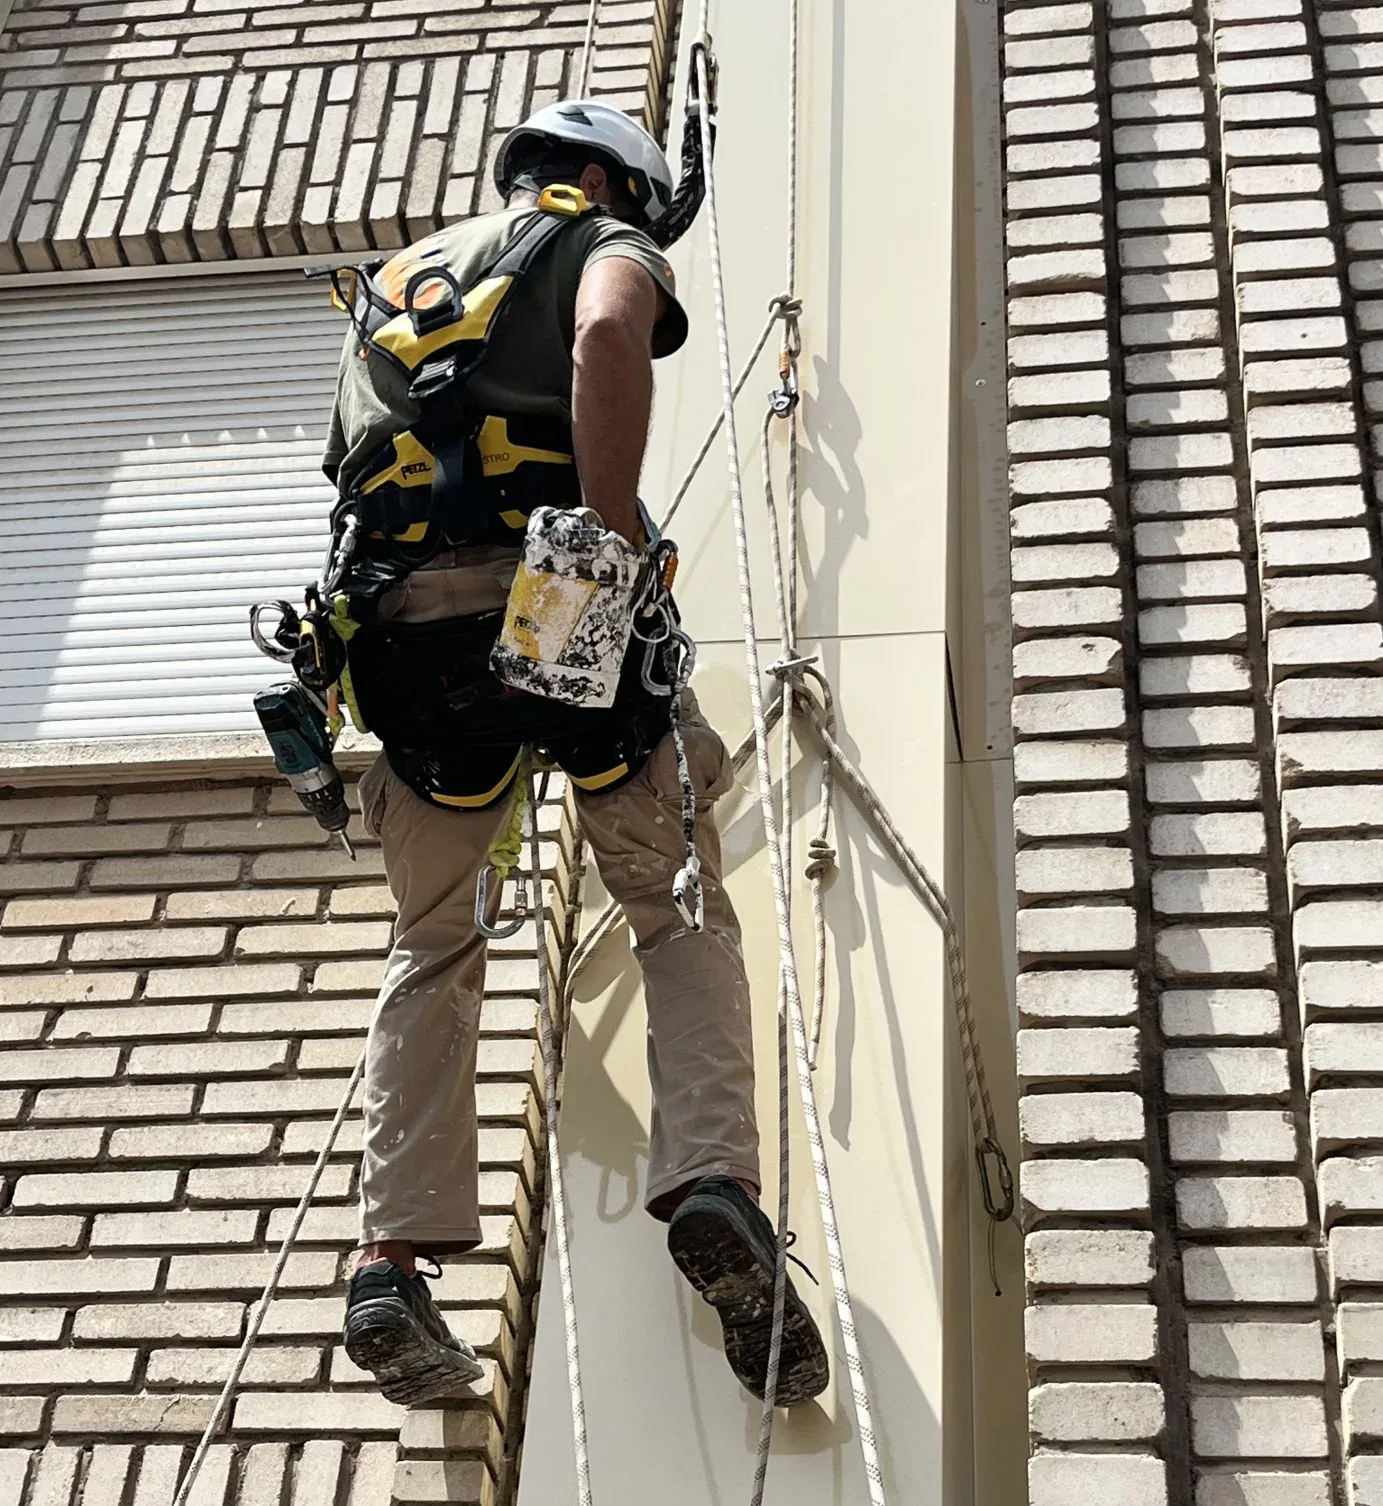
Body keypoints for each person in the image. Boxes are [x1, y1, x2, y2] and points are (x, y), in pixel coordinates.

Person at [318, 100, 829, 1409]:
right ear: (602, 178)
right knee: (674, 902)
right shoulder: (596, 236)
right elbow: (607, 329)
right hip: (552, 591)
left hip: (404, 642)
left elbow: (350, 480)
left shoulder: (387, 288)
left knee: (433, 943)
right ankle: (713, 1183)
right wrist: (604, 540)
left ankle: (388, 1265)